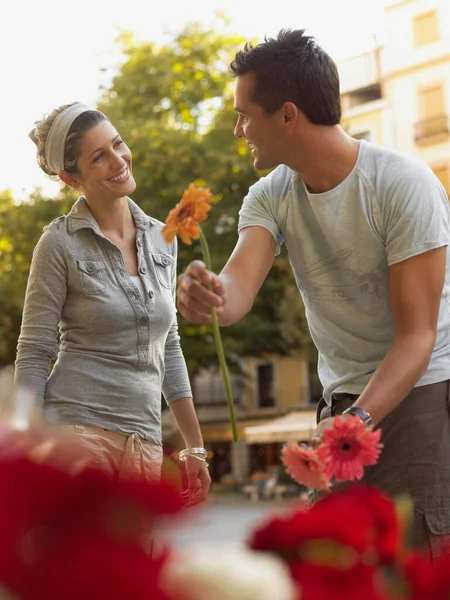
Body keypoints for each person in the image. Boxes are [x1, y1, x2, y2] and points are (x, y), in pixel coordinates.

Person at [177, 30, 450, 553]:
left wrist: (355, 422)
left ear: (286, 115)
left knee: (416, 562)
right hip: (344, 405)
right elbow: (237, 289)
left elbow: (418, 336)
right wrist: (210, 292)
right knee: (332, 562)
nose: (238, 131)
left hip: (422, 396)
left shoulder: (402, 184)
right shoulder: (270, 196)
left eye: (244, 114)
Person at [14, 102, 210, 506]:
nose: (119, 160)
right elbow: (34, 352)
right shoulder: (59, 243)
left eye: (118, 144)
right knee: (84, 564)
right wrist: (27, 442)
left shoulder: (162, 238)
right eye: (99, 156)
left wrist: (193, 446)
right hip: (75, 432)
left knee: (135, 561)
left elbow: (168, 347)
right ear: (72, 177)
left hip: (145, 439)